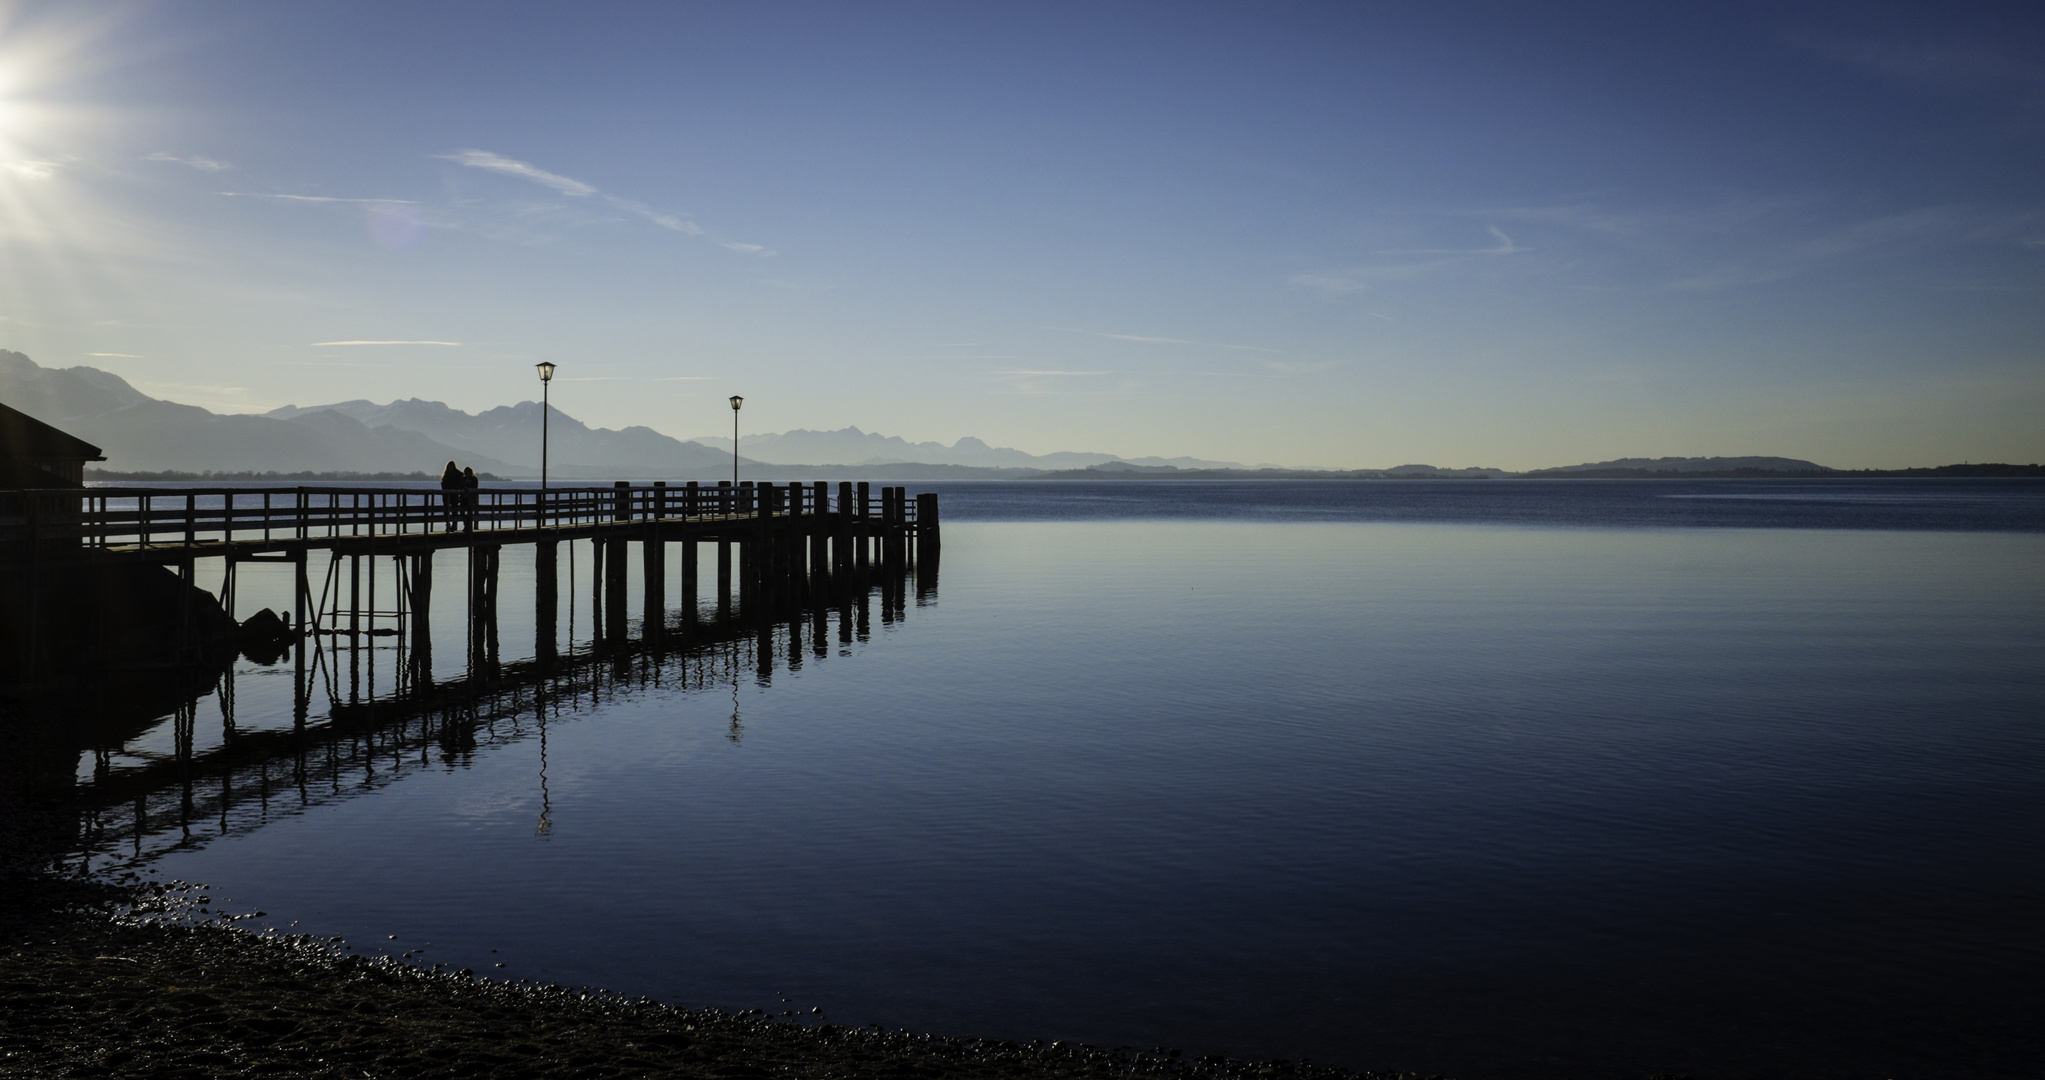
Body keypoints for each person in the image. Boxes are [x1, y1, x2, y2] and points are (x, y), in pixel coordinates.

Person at [438, 461, 463, 532]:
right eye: (449, 467)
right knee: (446, 510)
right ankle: (448, 524)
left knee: (454, 510)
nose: (450, 468)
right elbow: (443, 484)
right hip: (446, 495)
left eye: (451, 467)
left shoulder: (458, 475)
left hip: (454, 495)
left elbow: (459, 484)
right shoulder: (446, 475)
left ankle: (454, 525)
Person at [462, 466, 481, 532]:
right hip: (464, 498)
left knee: (470, 512)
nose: (466, 474)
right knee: (462, 512)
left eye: (468, 472)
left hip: (471, 499)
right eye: (465, 473)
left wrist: (467, 487)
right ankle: (466, 525)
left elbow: (475, 487)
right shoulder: (463, 479)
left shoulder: (474, 479)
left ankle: (469, 526)